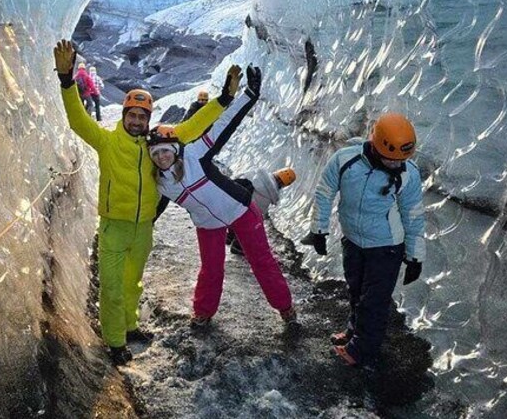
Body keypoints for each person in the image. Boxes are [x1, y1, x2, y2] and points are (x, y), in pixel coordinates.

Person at [53, 39, 240, 365]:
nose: (137, 121)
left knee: (132, 283)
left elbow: (192, 127)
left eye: (143, 116)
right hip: (114, 227)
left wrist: (223, 99)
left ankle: (129, 327)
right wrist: (67, 82)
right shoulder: (107, 141)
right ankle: (114, 342)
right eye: (133, 115)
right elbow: (78, 121)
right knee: (111, 288)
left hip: (143, 228)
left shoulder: (155, 144)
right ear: (125, 115)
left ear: (148, 118)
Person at [148, 66, 297, 330]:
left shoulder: (194, 154)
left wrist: (250, 94)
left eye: (165, 151)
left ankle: (286, 309)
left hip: (240, 209)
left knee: (262, 261)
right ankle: (203, 313)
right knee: (211, 269)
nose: (161, 157)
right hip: (208, 224)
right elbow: (154, 208)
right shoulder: (161, 183)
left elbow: (224, 126)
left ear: (175, 149)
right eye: (156, 154)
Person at [300, 112, 426, 368]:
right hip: (353, 241)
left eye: (401, 159)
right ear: (379, 145)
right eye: (391, 159)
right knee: (356, 290)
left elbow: (413, 214)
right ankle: (354, 331)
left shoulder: (407, 173)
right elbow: (325, 192)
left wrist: (415, 256)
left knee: (374, 300)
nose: (396, 164)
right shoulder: (346, 160)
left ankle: (362, 351)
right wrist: (319, 230)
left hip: (386, 246)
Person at [227, 168, 297, 256]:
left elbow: (236, 178)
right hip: (241, 217)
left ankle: (228, 237)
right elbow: (256, 214)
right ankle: (237, 247)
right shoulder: (268, 198)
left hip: (228, 204)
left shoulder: (253, 173)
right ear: (284, 185)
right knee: (253, 223)